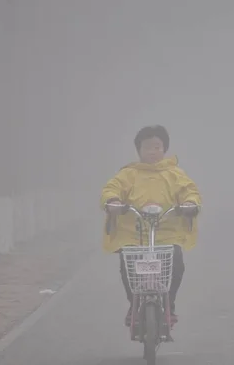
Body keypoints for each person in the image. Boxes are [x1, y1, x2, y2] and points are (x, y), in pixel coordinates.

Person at [100, 125, 201, 326]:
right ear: (139, 150)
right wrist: (113, 201)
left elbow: (189, 191)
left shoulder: (175, 174)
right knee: (127, 266)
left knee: (177, 262)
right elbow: (112, 189)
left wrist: (190, 203)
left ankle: (169, 303)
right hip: (133, 234)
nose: (153, 152)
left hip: (167, 234)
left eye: (157, 147)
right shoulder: (128, 174)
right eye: (148, 147)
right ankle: (134, 305)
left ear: (164, 149)